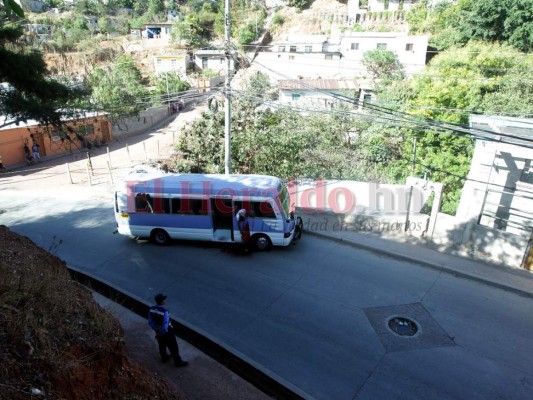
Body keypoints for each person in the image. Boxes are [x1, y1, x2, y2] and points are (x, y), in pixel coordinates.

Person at [147, 293, 188, 367]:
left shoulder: (151, 309)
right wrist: (163, 331)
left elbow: (150, 322)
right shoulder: (164, 311)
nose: (165, 300)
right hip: (167, 332)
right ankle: (178, 362)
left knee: (161, 345)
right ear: (162, 301)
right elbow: (165, 323)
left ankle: (164, 357)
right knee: (173, 346)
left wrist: (157, 330)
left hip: (158, 331)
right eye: (164, 299)